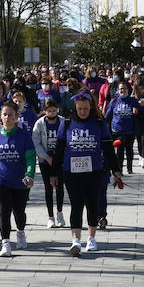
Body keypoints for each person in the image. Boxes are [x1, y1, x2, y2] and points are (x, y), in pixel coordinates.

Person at [53, 92, 121, 256]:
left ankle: (91, 238)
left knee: (92, 204)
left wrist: (116, 169)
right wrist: (54, 173)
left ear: (91, 107)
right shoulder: (67, 123)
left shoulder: (99, 123)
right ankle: (76, 240)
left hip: (94, 171)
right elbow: (59, 149)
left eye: (85, 108)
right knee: (76, 205)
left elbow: (108, 148)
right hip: (72, 172)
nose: (82, 111)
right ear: (75, 107)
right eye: (80, 108)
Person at [0, 99, 37, 257]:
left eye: (11, 115)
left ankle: (20, 232)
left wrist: (29, 174)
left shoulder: (24, 136)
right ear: (0, 116)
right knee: (4, 210)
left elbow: (30, 158)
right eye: (4, 114)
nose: (7, 117)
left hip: (20, 180)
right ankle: (5, 243)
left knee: (19, 212)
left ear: (16, 117)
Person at [32, 97, 66, 228]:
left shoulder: (63, 122)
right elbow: (36, 142)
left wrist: (59, 158)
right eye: (49, 111)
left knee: (60, 187)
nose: (52, 113)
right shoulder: (39, 124)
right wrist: (46, 157)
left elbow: (67, 140)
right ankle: (50, 216)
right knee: (48, 188)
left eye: (54, 110)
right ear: (45, 111)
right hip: (45, 160)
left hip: (60, 160)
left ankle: (60, 213)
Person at [106, 84, 140, 174]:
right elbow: (108, 115)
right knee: (120, 150)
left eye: (124, 88)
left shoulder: (132, 100)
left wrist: (138, 110)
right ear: (118, 90)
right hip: (117, 130)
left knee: (129, 149)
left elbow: (140, 112)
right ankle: (119, 169)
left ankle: (129, 168)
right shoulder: (115, 100)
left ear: (128, 90)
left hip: (130, 129)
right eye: (121, 89)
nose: (122, 90)